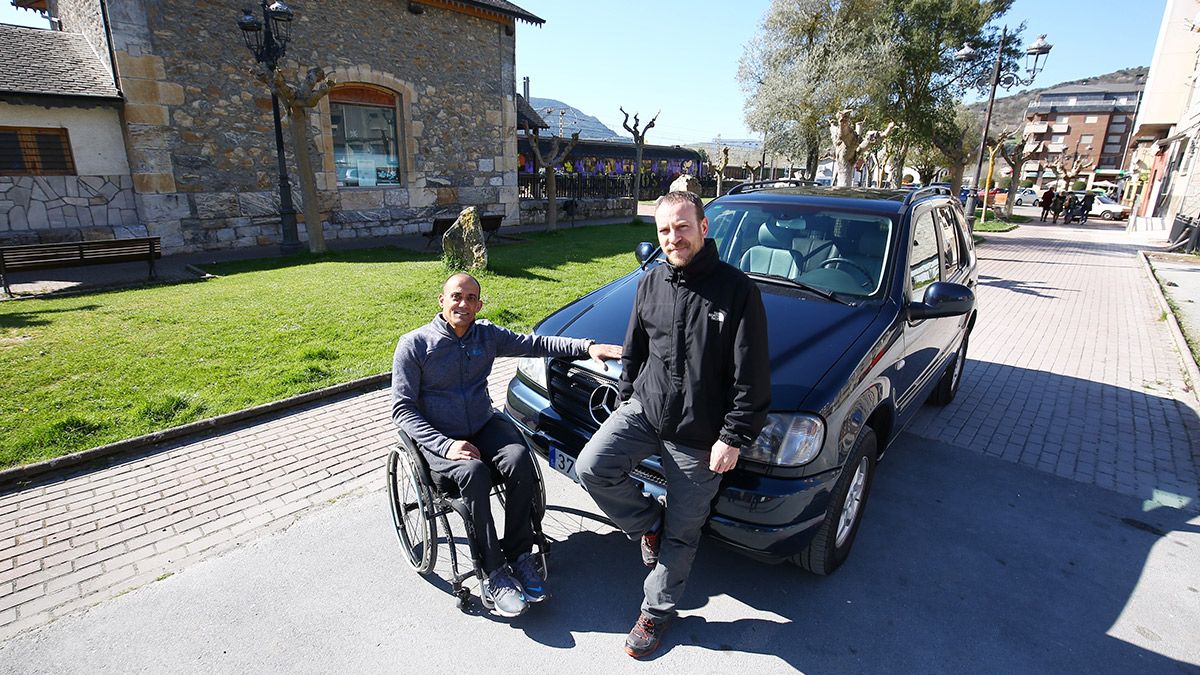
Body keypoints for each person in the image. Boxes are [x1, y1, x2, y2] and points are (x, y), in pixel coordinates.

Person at [575, 191, 771, 658]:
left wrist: (733, 436)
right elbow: (635, 350)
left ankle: (656, 611)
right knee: (592, 466)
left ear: (704, 228)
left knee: (685, 532)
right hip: (646, 410)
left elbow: (752, 374)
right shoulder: (650, 284)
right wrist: (626, 399)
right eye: (664, 230)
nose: (672, 237)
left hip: (701, 435)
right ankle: (648, 523)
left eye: (682, 227)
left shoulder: (738, 291)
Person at [391, 273, 621, 618]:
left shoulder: (487, 335)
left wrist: (587, 347)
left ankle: (519, 555)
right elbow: (402, 409)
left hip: (483, 424)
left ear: (479, 305)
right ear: (442, 300)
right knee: (475, 472)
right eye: (457, 296)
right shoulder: (414, 345)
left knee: (519, 459)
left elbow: (539, 344)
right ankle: (494, 572)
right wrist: (445, 445)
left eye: (471, 299)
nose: (464, 304)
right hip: (440, 439)